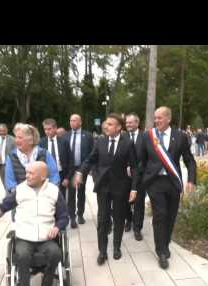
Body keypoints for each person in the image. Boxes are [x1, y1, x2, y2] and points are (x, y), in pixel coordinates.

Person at [0, 162, 68, 286]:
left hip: (46, 238)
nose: (27, 176)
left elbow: (64, 216)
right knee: (22, 257)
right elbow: (6, 204)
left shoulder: (53, 191)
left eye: (31, 173)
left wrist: (57, 227)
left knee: (56, 254)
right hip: (24, 237)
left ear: (43, 176)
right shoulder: (20, 190)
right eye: (27, 173)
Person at [73, 113, 138, 265]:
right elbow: (90, 159)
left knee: (119, 218)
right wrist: (80, 172)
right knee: (102, 219)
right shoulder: (100, 141)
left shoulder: (128, 143)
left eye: (109, 124)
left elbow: (135, 167)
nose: (105, 126)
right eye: (105, 123)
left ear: (118, 127)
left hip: (121, 187)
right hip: (103, 186)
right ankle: (102, 251)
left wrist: (134, 188)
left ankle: (116, 247)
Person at [137, 107, 197, 270]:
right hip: (155, 182)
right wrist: (137, 184)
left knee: (171, 215)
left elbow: (189, 160)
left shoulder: (181, 136)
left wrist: (191, 180)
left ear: (169, 119)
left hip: (173, 181)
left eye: (160, 118)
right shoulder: (148, 136)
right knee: (160, 214)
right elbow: (141, 161)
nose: (156, 121)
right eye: (155, 118)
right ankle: (161, 251)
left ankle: (165, 241)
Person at [4, 123, 60, 194]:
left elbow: (54, 177)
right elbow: (10, 183)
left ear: (31, 140)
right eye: (16, 137)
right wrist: (23, 196)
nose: (16, 141)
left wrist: (47, 194)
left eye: (20, 138)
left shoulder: (45, 154)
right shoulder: (11, 156)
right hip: (21, 199)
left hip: (44, 197)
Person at [64, 114, 94, 229]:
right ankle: (71, 216)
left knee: (81, 191)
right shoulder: (66, 136)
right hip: (70, 169)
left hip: (82, 168)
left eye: (74, 120)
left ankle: (80, 214)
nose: (72, 122)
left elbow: (92, 152)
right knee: (71, 193)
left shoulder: (88, 136)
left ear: (80, 122)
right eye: (71, 120)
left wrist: (89, 168)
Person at [124, 113, 146, 241]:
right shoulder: (123, 136)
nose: (128, 125)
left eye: (130, 123)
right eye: (126, 123)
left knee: (139, 203)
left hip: (141, 176)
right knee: (125, 201)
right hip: (125, 176)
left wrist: (138, 170)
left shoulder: (145, 137)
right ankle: (128, 221)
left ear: (137, 123)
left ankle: (137, 228)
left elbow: (147, 156)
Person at [40, 118, 73, 200]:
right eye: (45, 129)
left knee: (61, 198)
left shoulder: (64, 142)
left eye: (49, 129)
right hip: (46, 176)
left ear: (55, 128)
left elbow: (70, 160)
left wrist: (67, 178)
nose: (47, 131)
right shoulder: (41, 143)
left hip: (61, 174)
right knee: (47, 199)